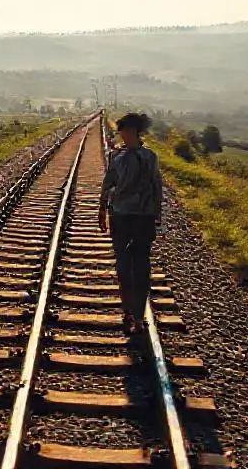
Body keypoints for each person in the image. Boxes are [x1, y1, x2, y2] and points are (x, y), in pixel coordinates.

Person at [102, 112, 163, 336]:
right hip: (119, 216)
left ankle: (137, 315)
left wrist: (158, 215)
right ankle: (129, 312)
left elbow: (157, 186)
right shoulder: (116, 157)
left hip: (142, 217)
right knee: (123, 266)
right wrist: (101, 210)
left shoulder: (149, 157)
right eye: (121, 131)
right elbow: (107, 183)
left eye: (125, 130)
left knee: (141, 266)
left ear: (136, 132)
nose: (122, 135)